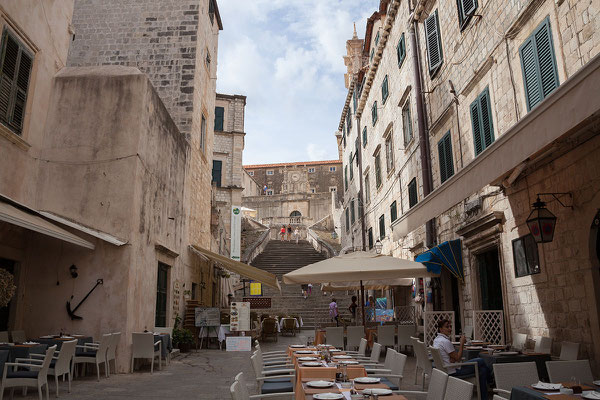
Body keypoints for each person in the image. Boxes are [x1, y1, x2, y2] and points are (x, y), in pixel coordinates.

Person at [433, 319, 492, 400]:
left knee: (482, 370)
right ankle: (490, 380)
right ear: (441, 329)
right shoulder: (445, 341)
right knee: (480, 361)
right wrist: (461, 344)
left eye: (450, 326)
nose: (450, 329)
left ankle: (484, 397)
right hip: (453, 371)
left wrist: (451, 357)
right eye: (447, 327)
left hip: (446, 368)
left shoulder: (436, 340)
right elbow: (458, 358)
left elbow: (449, 355)